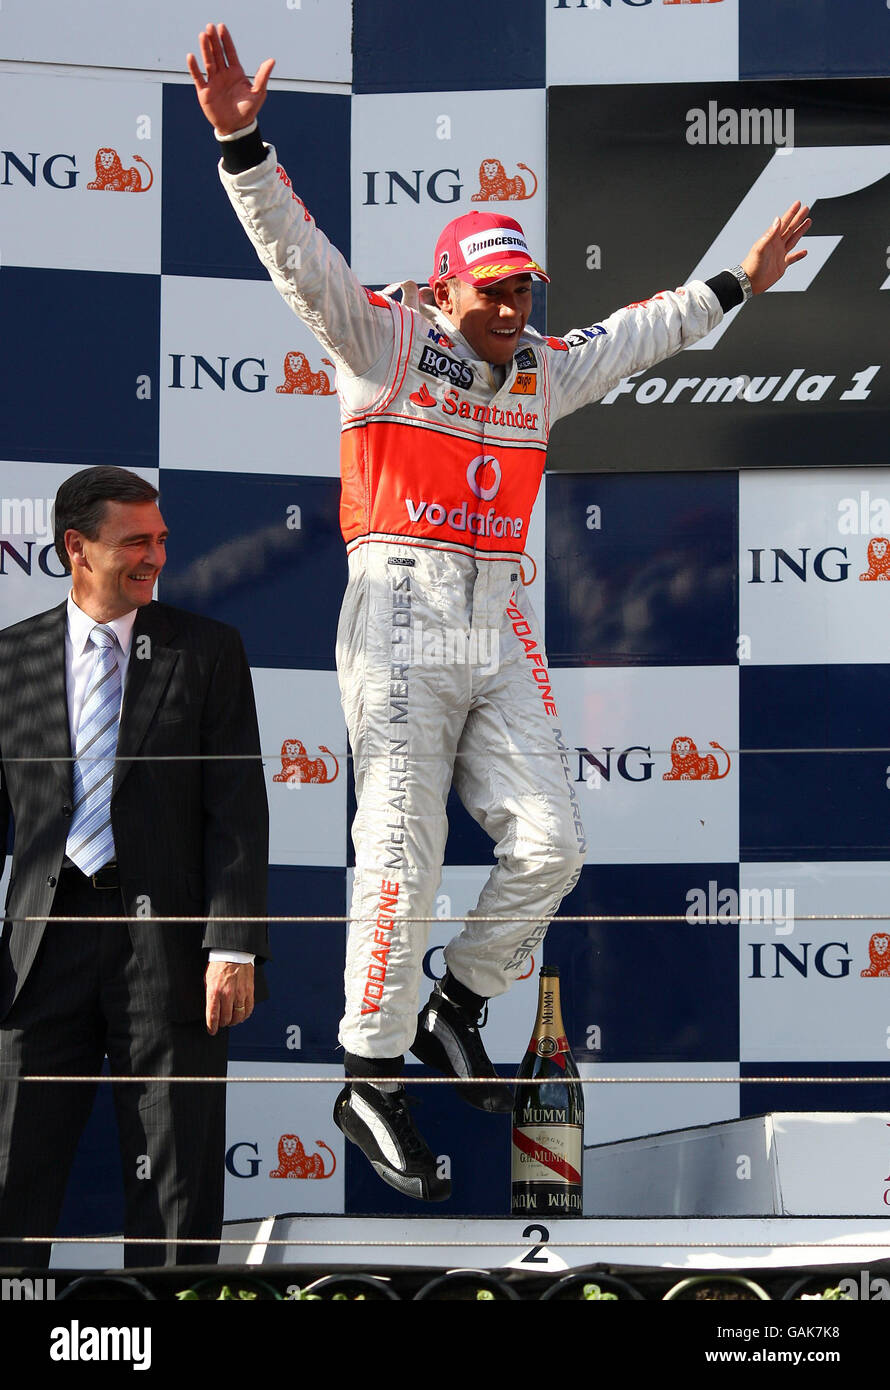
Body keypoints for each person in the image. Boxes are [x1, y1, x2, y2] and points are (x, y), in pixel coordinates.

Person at [188, 23, 810, 1203]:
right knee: (402, 850)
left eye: (526, 287)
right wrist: (239, 141)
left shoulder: (539, 364)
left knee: (552, 844)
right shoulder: (380, 339)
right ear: (439, 287)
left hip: (496, 615)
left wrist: (738, 282)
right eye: (493, 289)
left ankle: (457, 1003)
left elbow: (640, 331)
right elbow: (294, 255)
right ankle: (367, 1068)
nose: (514, 307)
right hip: (403, 609)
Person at [0, 465, 269, 1266]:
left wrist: (232, 946)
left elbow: (237, 808)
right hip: (39, 950)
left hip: (169, 951)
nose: (156, 557)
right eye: (136, 542)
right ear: (76, 548)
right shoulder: (11, 659)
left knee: (175, 1173)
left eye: (162, 540)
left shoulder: (207, 651)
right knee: (15, 1164)